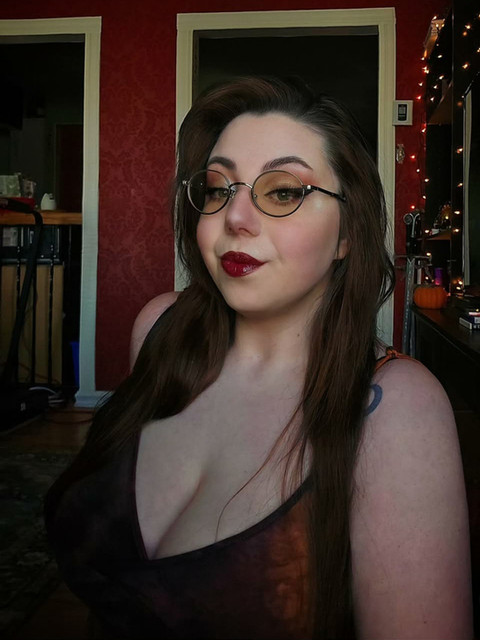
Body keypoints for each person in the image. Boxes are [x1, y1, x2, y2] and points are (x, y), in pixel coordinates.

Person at [45, 76, 473, 639]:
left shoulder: (399, 408)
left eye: (283, 192)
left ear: (347, 232)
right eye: (218, 189)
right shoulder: (159, 329)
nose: (235, 218)